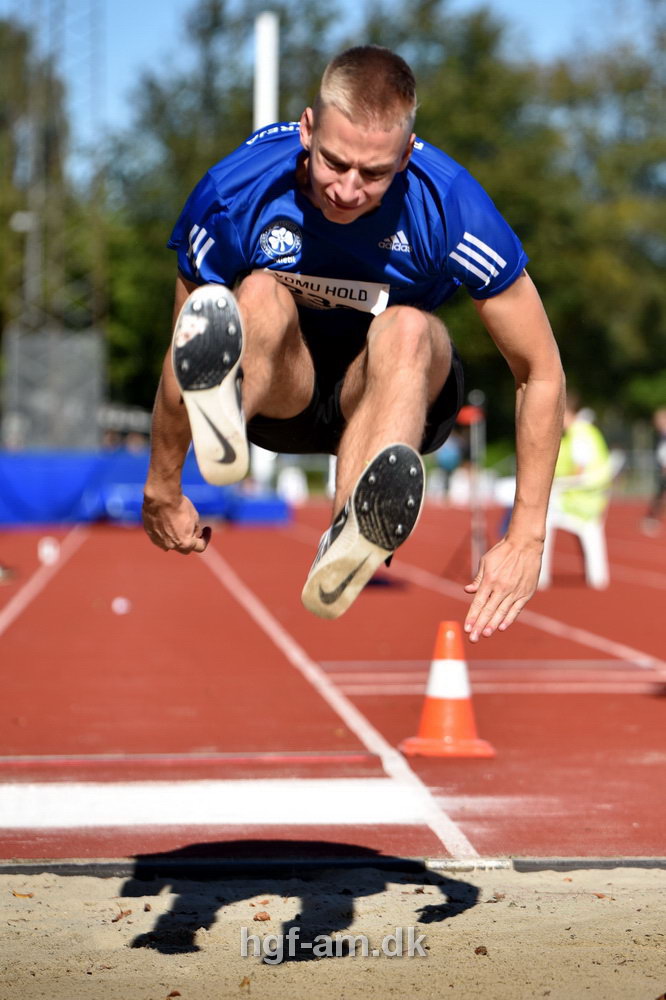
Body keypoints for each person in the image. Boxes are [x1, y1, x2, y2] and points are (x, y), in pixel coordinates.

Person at [142, 45, 565, 642]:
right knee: (259, 293)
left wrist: (526, 536)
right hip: (288, 383)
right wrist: (163, 485)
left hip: (395, 387)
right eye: (334, 163)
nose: (346, 189)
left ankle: (352, 527)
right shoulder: (235, 194)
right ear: (308, 130)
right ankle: (226, 412)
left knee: (411, 326)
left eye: (373, 174)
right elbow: (181, 348)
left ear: (408, 155)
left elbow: (540, 371)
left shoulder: (450, 208)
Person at [538, 394, 613, 589]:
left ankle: (539, 575)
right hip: (583, 499)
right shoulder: (583, 432)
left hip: (580, 501)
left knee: (538, 521)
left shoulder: (580, 433)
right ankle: (595, 576)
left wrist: (556, 483)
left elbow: (580, 468)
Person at [642, 407, 666, 536]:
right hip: (663, 471)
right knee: (660, 496)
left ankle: (652, 517)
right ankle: (652, 517)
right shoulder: (660, 435)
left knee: (661, 496)